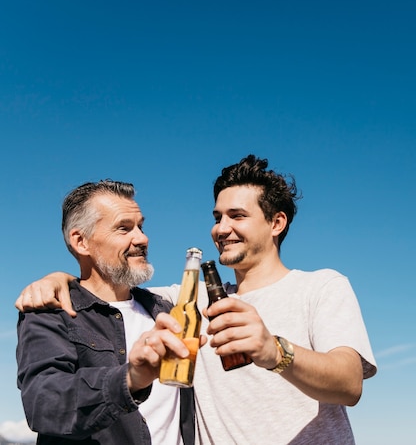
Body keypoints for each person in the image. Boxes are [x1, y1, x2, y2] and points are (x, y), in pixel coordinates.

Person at [16, 156, 377, 445]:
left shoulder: (320, 286)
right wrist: (58, 277)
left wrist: (274, 351)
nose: (221, 229)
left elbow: (349, 383)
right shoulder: (180, 303)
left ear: (276, 222)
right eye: (217, 217)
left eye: (237, 216)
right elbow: (106, 290)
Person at [16, 180, 200, 445]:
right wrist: (131, 378)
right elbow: (45, 406)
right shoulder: (50, 313)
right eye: (124, 228)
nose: (142, 238)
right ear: (81, 241)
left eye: (141, 226)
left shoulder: (168, 311)